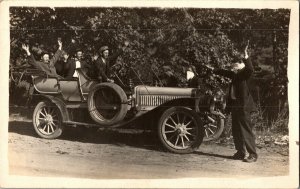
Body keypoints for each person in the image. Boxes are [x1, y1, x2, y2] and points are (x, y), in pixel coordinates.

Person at [209, 45, 258, 163]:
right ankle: (240, 152)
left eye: (236, 64)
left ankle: (253, 154)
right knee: (236, 130)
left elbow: (250, 69)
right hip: (236, 106)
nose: (233, 67)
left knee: (246, 130)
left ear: (241, 66)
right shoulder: (235, 75)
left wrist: (246, 57)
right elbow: (225, 72)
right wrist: (213, 69)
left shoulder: (244, 74)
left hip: (244, 107)